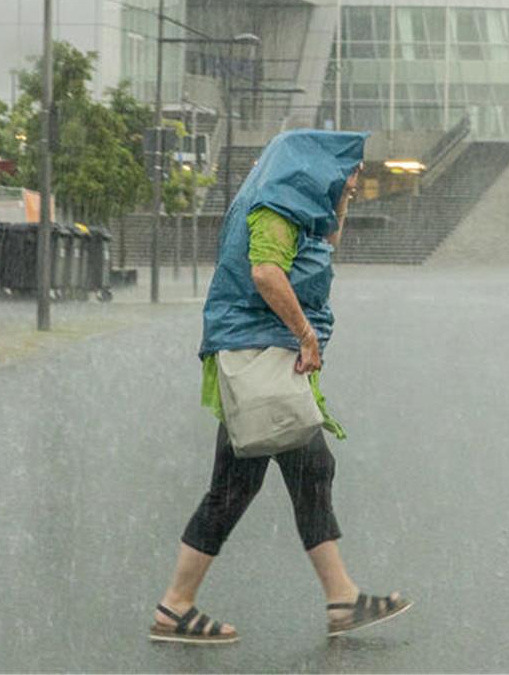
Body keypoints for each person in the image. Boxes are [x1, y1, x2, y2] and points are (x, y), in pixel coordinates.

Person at [149, 128, 411, 645]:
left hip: (259, 356)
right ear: (316, 165)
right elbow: (267, 273)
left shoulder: (295, 204)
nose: (357, 179)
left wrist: (337, 198)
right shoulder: (272, 208)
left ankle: (334, 598)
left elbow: (327, 245)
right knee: (280, 474)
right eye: (351, 170)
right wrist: (306, 336)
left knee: (267, 478)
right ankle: (179, 606)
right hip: (257, 356)